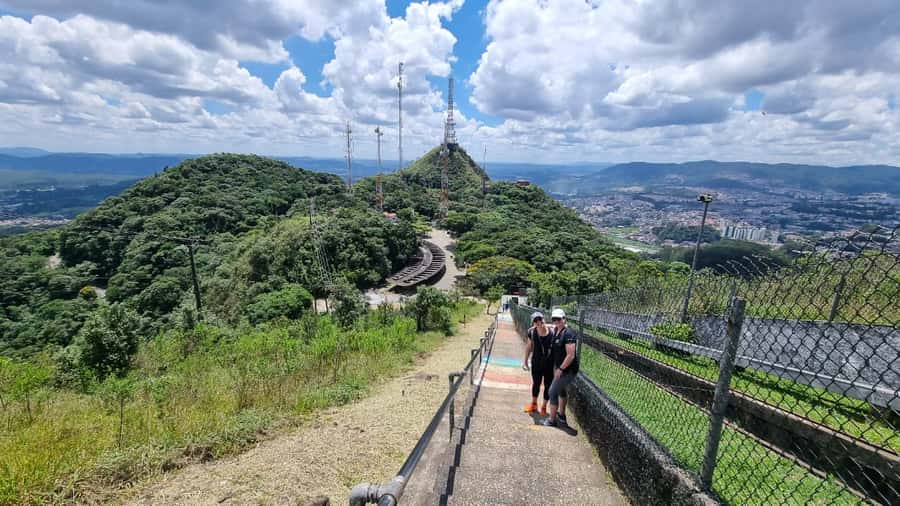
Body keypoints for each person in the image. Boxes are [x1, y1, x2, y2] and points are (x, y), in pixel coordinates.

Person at [543, 308, 579, 427]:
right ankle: (562, 416)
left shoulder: (569, 333)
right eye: (554, 319)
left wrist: (561, 369)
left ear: (564, 319)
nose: (556, 321)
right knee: (561, 390)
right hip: (559, 367)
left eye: (559, 319)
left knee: (552, 391)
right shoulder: (557, 330)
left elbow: (570, 355)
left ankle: (552, 420)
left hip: (567, 370)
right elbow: (551, 327)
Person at [522, 311, 553, 415]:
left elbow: (565, 325)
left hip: (549, 363)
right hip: (536, 362)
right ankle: (534, 405)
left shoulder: (552, 331)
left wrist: (548, 324)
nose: (538, 322)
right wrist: (525, 361)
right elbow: (529, 346)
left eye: (540, 319)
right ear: (533, 323)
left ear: (543, 319)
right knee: (536, 384)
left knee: (548, 385)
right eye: (535, 320)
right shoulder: (532, 332)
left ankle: (544, 406)